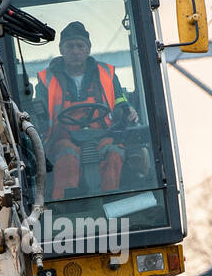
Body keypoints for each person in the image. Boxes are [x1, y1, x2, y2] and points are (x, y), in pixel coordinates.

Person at [32, 21, 137, 200]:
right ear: (61, 49)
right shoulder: (45, 80)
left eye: (80, 46)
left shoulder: (107, 74)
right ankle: (64, 204)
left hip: (101, 136)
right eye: (70, 46)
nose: (75, 51)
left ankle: (111, 201)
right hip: (62, 138)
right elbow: (38, 111)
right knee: (67, 156)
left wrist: (127, 110)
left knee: (114, 152)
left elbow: (119, 100)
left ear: (88, 49)